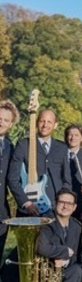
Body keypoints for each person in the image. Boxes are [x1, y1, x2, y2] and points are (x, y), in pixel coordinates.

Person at [9, 108, 71, 216]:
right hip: (28, 208)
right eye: (42, 121)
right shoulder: (23, 145)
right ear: (37, 123)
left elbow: (66, 180)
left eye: (49, 122)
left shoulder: (62, 148)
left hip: (54, 209)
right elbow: (12, 179)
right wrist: (26, 203)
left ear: (55, 125)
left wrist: (62, 202)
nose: (45, 125)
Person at [36, 189, 82, 282]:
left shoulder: (77, 226)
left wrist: (65, 261)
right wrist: (65, 252)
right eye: (62, 202)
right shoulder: (45, 221)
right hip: (41, 272)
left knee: (77, 271)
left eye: (69, 203)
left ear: (74, 207)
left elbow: (77, 254)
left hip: (61, 271)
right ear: (55, 203)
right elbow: (42, 248)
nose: (65, 206)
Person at [0, 100, 18, 253]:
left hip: (1, 211)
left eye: (6, 120)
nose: (1, 123)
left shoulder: (9, 146)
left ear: (11, 124)